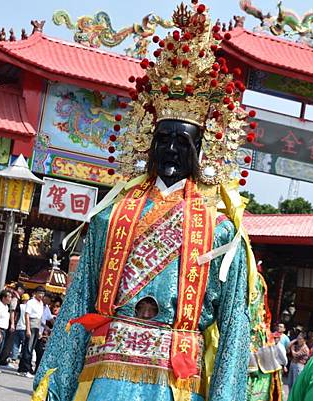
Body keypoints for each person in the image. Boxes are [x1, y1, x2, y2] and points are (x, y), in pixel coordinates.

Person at [33, 4, 253, 399]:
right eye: (162, 139)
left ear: (204, 150)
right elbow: (79, 301)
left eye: (182, 141)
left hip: (174, 378)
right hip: (105, 372)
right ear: (148, 143)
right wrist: (56, 385)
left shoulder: (221, 232)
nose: (170, 149)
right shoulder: (111, 217)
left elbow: (235, 323)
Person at [18, 287, 45, 377]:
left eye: (42, 293)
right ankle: (25, 369)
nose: (41, 295)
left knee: (31, 347)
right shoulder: (31, 302)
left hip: (37, 325)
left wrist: (40, 330)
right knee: (28, 348)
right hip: (31, 324)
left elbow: (40, 317)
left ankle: (22, 368)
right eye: (40, 293)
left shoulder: (41, 303)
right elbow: (27, 315)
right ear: (35, 293)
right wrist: (28, 329)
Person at [11, 293, 30, 363]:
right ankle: (21, 356)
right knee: (24, 344)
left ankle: (14, 357)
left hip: (18, 327)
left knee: (16, 343)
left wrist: (14, 324)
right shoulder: (29, 307)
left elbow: (16, 316)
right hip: (25, 328)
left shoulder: (20, 306)